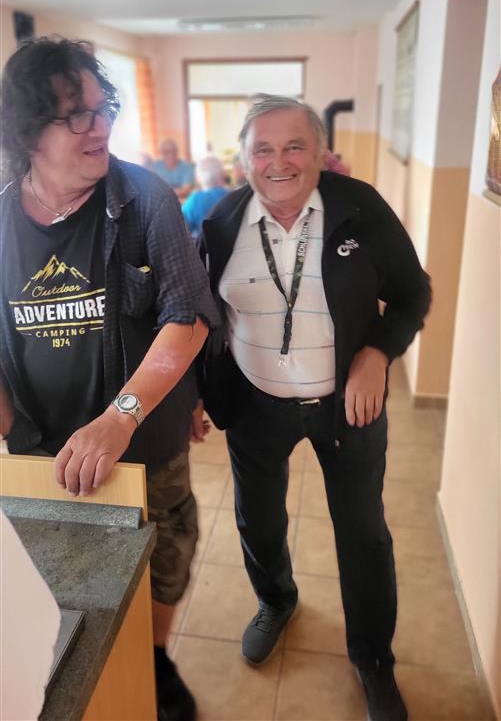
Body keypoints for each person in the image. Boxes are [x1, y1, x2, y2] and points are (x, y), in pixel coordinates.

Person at [0, 38, 220, 721]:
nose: (98, 127)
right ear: (28, 133)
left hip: (145, 437)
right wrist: (12, 428)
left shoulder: (142, 197)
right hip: (41, 446)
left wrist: (121, 415)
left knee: (166, 550)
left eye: (103, 109)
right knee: (63, 579)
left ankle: (154, 659)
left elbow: (187, 317)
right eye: (76, 115)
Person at [197, 93, 431, 721]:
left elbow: (412, 294)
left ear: (321, 153)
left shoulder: (361, 209)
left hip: (346, 407)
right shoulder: (221, 222)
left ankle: (373, 658)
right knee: (258, 521)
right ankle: (276, 600)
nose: (279, 162)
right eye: (263, 149)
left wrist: (377, 353)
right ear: (243, 159)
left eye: (295, 146)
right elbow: (203, 316)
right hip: (255, 402)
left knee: (363, 534)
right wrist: (197, 393)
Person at [182, 156, 229, 239]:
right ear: (222, 175)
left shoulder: (194, 200)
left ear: (198, 178)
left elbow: (181, 228)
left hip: (203, 245)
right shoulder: (233, 195)